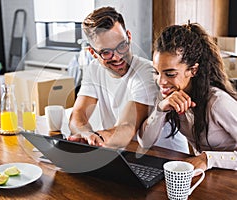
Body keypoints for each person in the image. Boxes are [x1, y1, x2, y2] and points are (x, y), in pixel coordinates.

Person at [68, 6, 188, 151]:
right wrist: (85, 133)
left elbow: (128, 126)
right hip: (128, 152)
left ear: (129, 37)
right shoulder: (93, 69)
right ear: (93, 53)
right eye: (106, 53)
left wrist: (98, 138)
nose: (118, 57)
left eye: (122, 46)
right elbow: (78, 114)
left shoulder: (148, 72)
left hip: (166, 155)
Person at [138, 22, 237, 171]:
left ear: (193, 70)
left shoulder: (218, 102)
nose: (161, 82)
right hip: (208, 177)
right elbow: (145, 143)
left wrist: (207, 159)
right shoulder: (168, 96)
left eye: (170, 74)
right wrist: (160, 109)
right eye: (156, 73)